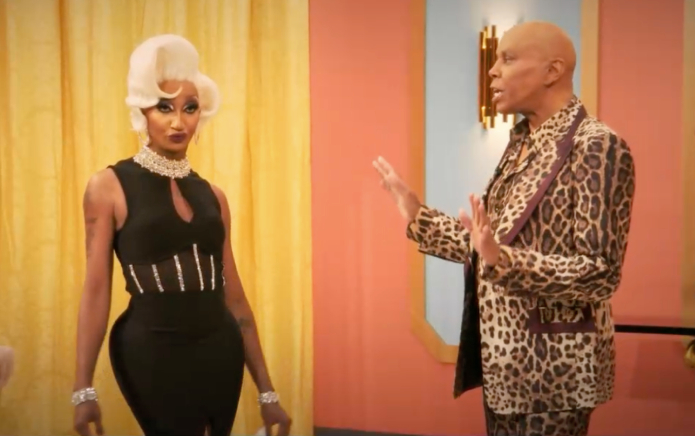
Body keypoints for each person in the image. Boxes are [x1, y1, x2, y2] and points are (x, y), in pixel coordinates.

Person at [373, 21, 635, 436]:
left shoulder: (595, 145)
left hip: (556, 376)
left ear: (553, 71)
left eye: (507, 59)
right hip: (504, 368)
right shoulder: (521, 143)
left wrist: (504, 260)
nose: (492, 71)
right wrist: (417, 214)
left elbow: (600, 271)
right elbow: (488, 248)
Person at [72, 34, 291, 436]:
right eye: (164, 107)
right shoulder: (108, 186)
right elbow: (96, 289)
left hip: (220, 347)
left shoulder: (214, 196)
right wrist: (83, 388)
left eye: (189, 108)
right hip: (150, 348)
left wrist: (267, 393)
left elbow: (235, 297)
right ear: (142, 110)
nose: (178, 122)